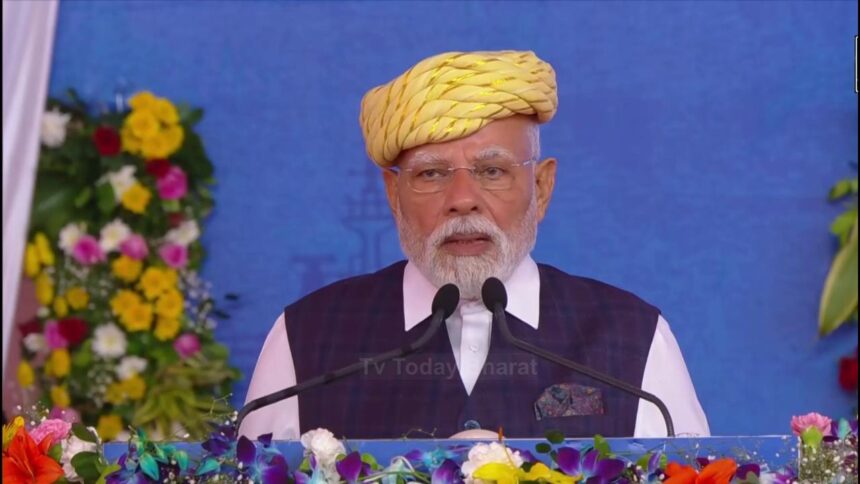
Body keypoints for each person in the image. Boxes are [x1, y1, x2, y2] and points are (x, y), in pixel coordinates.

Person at [241, 50, 709, 440]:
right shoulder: (307, 336)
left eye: (492, 171)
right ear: (392, 194)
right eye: (431, 174)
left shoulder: (632, 334)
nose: (462, 201)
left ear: (542, 188)